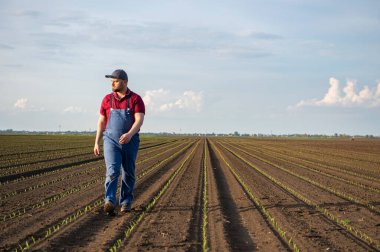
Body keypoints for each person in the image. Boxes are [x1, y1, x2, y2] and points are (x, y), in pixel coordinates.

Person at [94, 69, 145, 215]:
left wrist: (129, 134)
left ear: (124, 82)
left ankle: (126, 202)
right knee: (112, 171)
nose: (112, 83)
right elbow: (101, 121)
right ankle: (109, 200)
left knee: (128, 172)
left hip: (130, 141)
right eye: (112, 81)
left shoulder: (135, 99)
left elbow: (139, 120)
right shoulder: (107, 99)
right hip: (111, 140)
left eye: (115, 81)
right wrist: (96, 141)